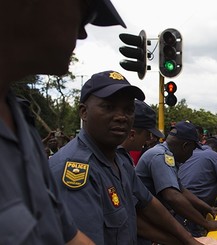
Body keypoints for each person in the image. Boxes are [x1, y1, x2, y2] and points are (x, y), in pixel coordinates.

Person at [0, 0, 130, 243]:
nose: (82, 33)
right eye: (84, 13)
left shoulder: (21, 126)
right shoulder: (73, 164)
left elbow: (67, 235)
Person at [49, 71, 208, 245]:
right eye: (108, 107)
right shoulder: (76, 170)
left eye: (128, 110)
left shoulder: (119, 160)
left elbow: (148, 205)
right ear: (84, 112)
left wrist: (188, 241)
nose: (121, 117)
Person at [135, 121, 217, 238]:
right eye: (192, 149)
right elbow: (172, 196)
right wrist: (206, 223)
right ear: (185, 146)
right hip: (143, 225)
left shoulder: (164, 153)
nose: (192, 154)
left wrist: (209, 209)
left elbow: (182, 190)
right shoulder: (161, 157)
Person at [178, 136, 217, 236]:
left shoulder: (189, 154)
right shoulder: (215, 156)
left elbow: (199, 179)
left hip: (176, 208)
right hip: (194, 211)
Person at [120, 100, 164, 166]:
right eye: (147, 134)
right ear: (132, 135)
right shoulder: (113, 161)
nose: (149, 138)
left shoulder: (123, 158)